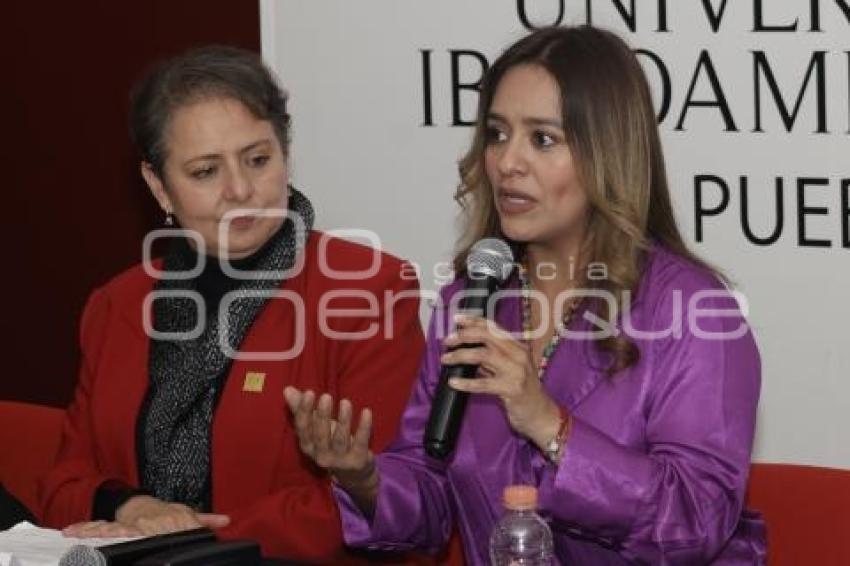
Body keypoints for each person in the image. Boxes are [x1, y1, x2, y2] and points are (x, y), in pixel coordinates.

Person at [285, 26, 766, 564]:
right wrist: (363, 476)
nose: (506, 162)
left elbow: (694, 521)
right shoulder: (472, 300)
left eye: (542, 139)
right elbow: (432, 497)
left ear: (607, 154)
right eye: (496, 133)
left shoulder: (695, 313)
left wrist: (548, 423)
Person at [38, 45, 424, 562]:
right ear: (158, 185)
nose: (241, 189)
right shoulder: (115, 305)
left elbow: (391, 502)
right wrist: (128, 507)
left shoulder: (368, 290)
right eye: (205, 172)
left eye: (258, 159)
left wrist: (185, 543)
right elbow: (63, 484)